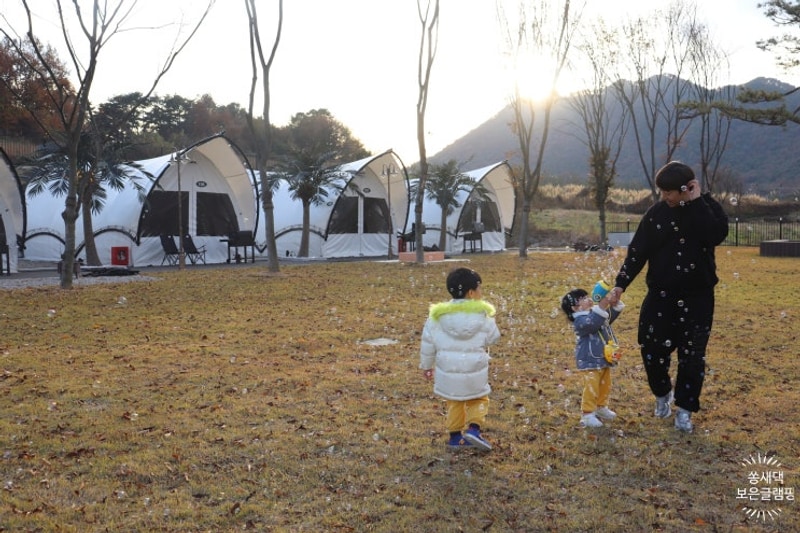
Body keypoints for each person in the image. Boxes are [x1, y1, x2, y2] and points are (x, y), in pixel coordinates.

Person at [610, 161, 728, 433]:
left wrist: (697, 202)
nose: (666, 196)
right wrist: (620, 285)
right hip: (660, 297)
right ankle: (663, 394)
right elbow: (637, 252)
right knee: (651, 349)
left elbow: (715, 235)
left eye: (670, 192)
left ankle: (685, 410)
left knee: (692, 356)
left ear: (687, 188)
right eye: (662, 191)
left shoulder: (708, 210)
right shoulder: (656, 215)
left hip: (698, 298)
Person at [420, 267, 501, 451]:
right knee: (479, 399)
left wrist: (426, 366)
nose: (482, 292)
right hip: (475, 370)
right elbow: (494, 337)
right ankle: (474, 428)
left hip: (448, 371)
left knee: (454, 402)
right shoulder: (483, 315)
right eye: (480, 288)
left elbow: (427, 342)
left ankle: (455, 438)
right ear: (471, 293)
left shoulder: (437, 316)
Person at [561, 285, 624, 428]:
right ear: (574, 308)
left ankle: (601, 407)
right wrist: (601, 306)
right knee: (592, 387)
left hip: (603, 357)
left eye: (586, 296)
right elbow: (593, 323)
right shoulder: (580, 321)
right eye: (582, 299)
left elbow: (605, 319)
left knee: (605, 384)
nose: (588, 299)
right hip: (589, 360)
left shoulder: (593, 314)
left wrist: (613, 305)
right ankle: (588, 414)